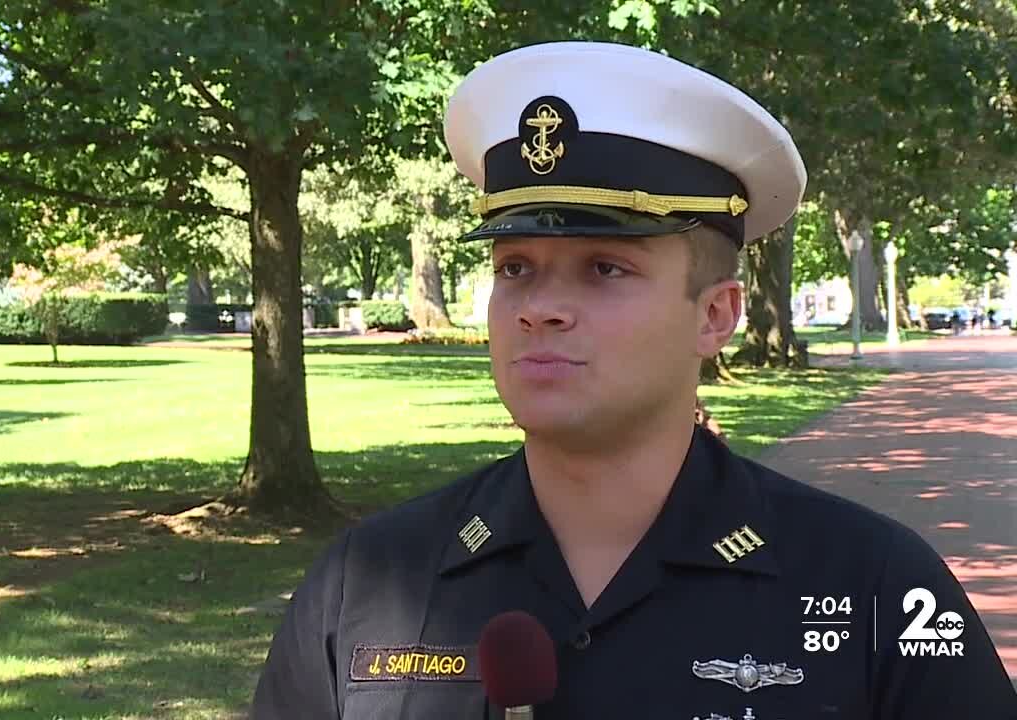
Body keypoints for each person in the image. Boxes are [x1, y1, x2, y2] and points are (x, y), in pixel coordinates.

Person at [251, 42, 1017, 719]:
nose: (540, 309)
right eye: (515, 268)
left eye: (605, 268)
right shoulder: (363, 587)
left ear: (715, 316)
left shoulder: (878, 588)